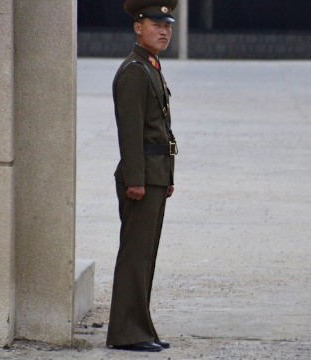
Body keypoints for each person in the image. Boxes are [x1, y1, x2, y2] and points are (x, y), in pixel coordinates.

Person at [106, 0, 178, 353]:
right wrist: (136, 179)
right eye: (155, 24)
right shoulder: (135, 70)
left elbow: (159, 129)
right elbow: (130, 132)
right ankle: (127, 333)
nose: (164, 30)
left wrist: (166, 176)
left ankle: (140, 327)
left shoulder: (149, 66)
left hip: (153, 176)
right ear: (138, 27)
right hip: (141, 179)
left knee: (144, 257)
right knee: (135, 256)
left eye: (167, 25)